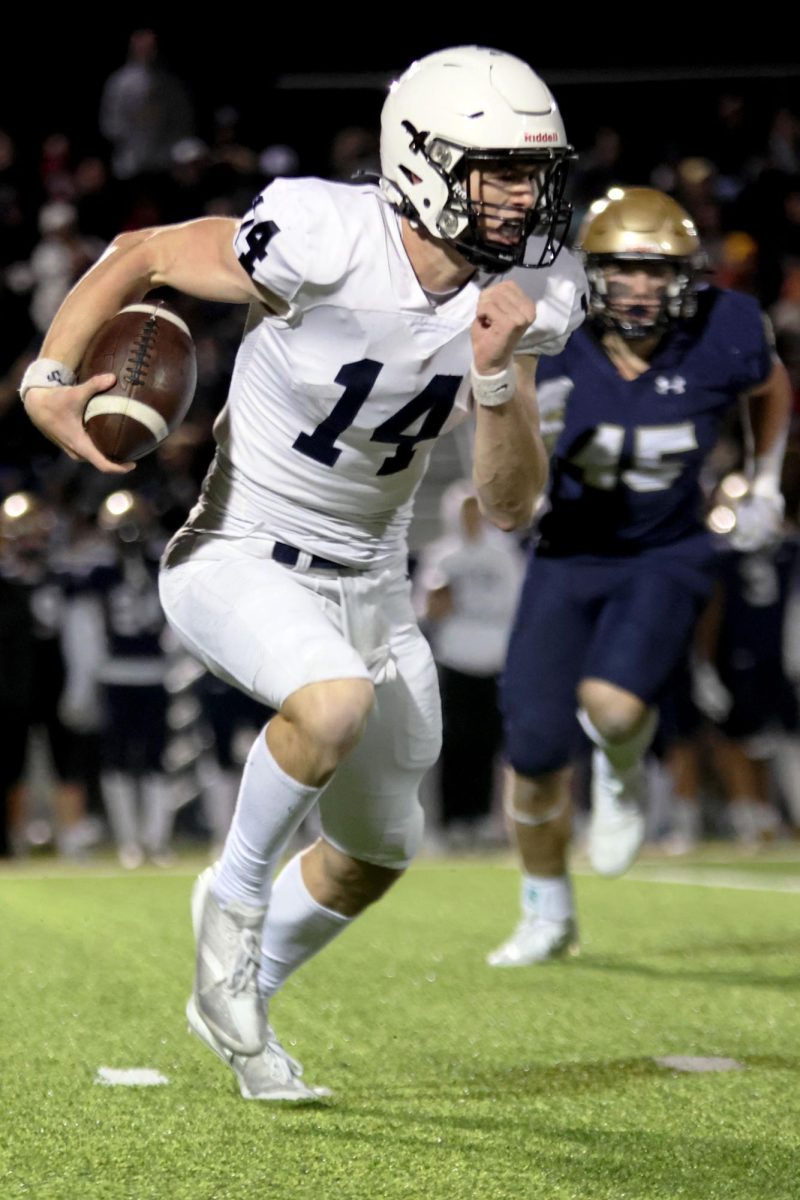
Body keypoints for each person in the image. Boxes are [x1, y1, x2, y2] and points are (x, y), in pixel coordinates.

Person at [20, 47, 586, 1097]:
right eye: (496, 170)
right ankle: (228, 909)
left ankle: (233, 993)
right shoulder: (323, 233)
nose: (521, 197)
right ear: (419, 163)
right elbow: (141, 252)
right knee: (328, 706)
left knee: (375, 855)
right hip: (236, 549)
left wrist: (500, 377)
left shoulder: (531, 291)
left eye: (530, 173)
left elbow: (509, 505)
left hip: (373, 581)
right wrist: (52, 372)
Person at [490, 186, 792, 967]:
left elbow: (770, 386)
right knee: (532, 750)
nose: (643, 289)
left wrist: (764, 479)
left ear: (686, 277)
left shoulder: (724, 329)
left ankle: (622, 770)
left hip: (667, 550)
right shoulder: (549, 329)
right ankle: (546, 907)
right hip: (565, 551)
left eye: (661, 273)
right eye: (623, 270)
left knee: (615, 708)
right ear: (591, 272)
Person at [417, 480, 525, 848]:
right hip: (454, 658)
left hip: (495, 658)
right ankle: (451, 820)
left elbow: (517, 603)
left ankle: (484, 817)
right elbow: (425, 611)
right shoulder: (441, 555)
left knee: (489, 743)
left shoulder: (503, 552)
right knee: (452, 744)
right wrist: (438, 604)